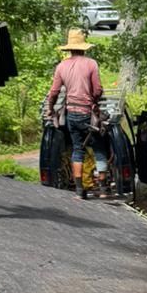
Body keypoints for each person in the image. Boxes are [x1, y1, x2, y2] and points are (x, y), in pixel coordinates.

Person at [43, 28, 109, 198]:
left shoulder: (61, 66)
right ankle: (102, 189)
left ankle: (79, 190)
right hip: (88, 113)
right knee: (99, 148)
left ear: (69, 47)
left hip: (71, 113)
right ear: (83, 47)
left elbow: (54, 92)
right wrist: (94, 99)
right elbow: (98, 90)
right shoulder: (91, 64)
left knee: (77, 149)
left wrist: (50, 109)